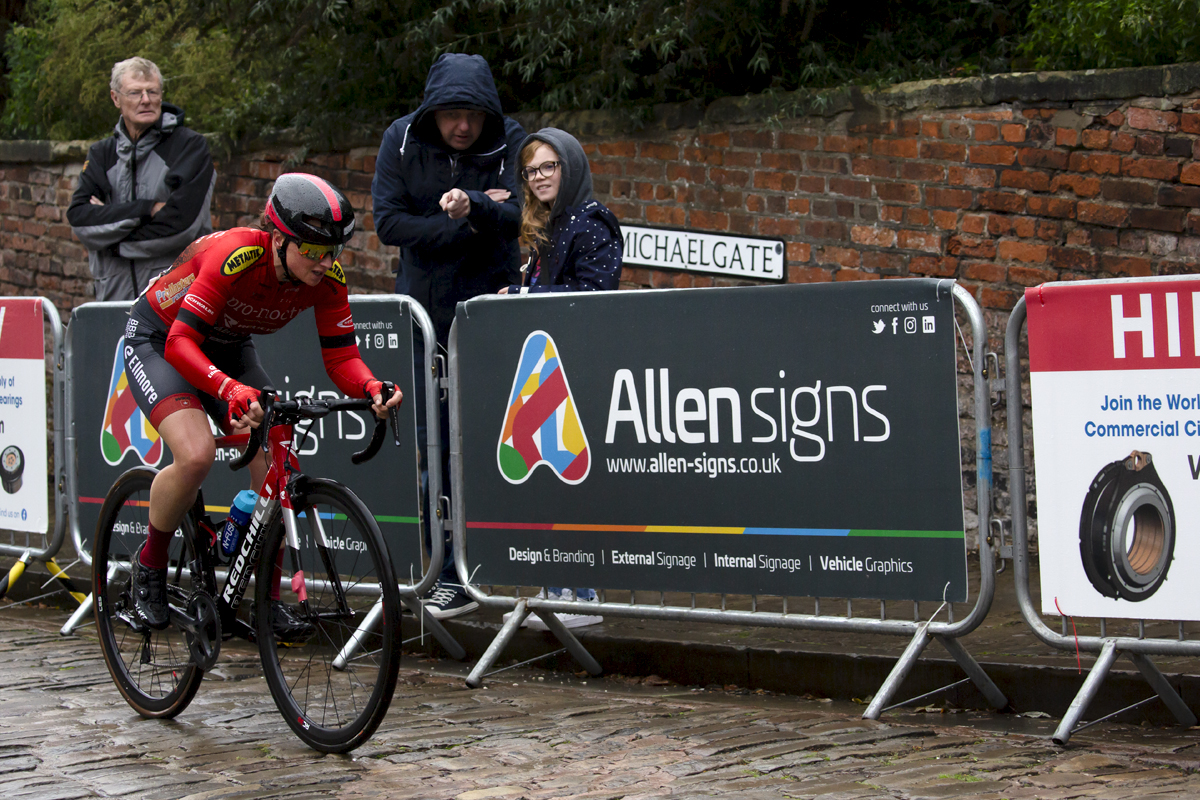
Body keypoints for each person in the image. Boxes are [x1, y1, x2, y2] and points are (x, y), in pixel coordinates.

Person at [122, 173, 402, 639]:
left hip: (228, 346)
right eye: (312, 250)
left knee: (279, 460)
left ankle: (267, 603)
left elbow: (341, 357)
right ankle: (148, 567)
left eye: (333, 251)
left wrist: (370, 386)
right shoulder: (235, 257)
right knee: (195, 455)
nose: (325, 261)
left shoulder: (327, 278)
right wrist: (230, 391)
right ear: (277, 239)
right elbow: (180, 343)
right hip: (162, 340)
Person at [372, 53, 525, 618]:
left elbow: (526, 214)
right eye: (452, 114)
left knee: (492, 439)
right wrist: (468, 222)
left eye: (474, 115)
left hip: (488, 316)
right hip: (423, 317)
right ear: (432, 111)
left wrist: (480, 206)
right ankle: (440, 565)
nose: (463, 126)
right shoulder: (402, 139)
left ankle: (484, 565)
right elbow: (388, 222)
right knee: (430, 442)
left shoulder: (510, 137)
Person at [502, 128, 623, 630]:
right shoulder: (542, 224)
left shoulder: (594, 223)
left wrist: (524, 299)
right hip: (544, 374)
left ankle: (584, 591)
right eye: (532, 170)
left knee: (576, 480)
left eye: (549, 166)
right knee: (546, 476)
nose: (540, 177)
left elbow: (593, 296)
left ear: (569, 166)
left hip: (578, 372)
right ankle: (555, 586)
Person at [67, 57, 215, 301]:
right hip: (113, 301)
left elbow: (183, 226)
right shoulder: (101, 154)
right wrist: (146, 209)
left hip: (174, 299)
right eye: (135, 93)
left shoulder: (189, 147)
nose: (146, 100)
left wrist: (112, 241)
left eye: (152, 91)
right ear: (116, 98)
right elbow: (80, 220)